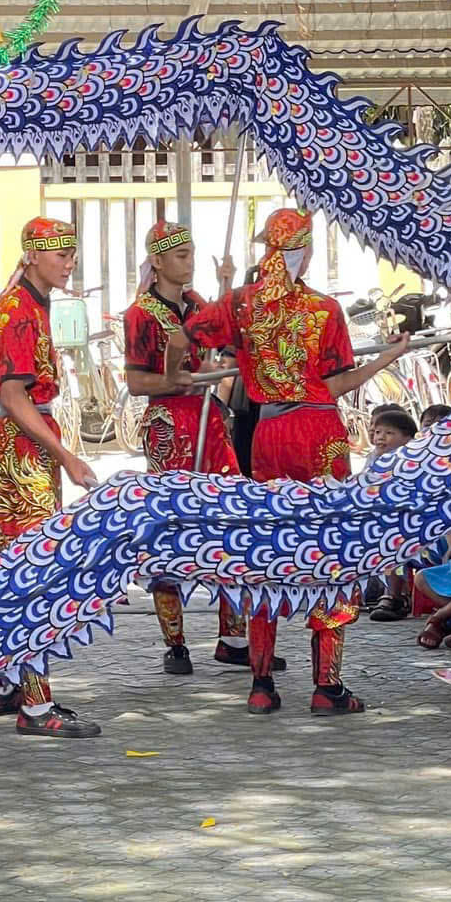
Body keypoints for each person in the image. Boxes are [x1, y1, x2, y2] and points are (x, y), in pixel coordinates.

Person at [168, 205, 413, 715]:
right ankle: (327, 687)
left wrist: (178, 377)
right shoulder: (324, 310)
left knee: (266, 550)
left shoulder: (240, 303)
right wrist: (389, 357)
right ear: (303, 251)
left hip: (269, 432)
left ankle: (261, 684)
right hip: (318, 431)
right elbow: (338, 384)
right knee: (331, 549)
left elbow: (179, 336)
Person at [0, 216, 102, 740]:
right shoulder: (20, 311)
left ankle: (5, 683)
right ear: (32, 255)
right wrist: (67, 455)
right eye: (59, 254)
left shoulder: (29, 303)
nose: (69, 262)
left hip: (26, 441)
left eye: (71, 253)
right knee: (34, 576)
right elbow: (14, 397)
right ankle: (35, 705)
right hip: (24, 446)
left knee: (15, 572)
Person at [122, 219, 251, 676]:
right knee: (170, 525)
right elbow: (137, 382)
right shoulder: (140, 314)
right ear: (157, 262)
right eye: (181, 255)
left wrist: (227, 286)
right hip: (169, 422)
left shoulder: (196, 303)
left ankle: (233, 637)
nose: (189, 261)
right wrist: (179, 379)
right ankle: (175, 642)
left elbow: (221, 335)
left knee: (229, 519)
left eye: (191, 252)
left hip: (208, 418)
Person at [366, 405, 420, 622]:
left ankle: (394, 595)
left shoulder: (411, 460)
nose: (381, 437)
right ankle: (388, 591)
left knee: (394, 544)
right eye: (378, 432)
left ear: (408, 438)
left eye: (389, 433)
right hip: (384, 519)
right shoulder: (373, 459)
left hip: (412, 521)